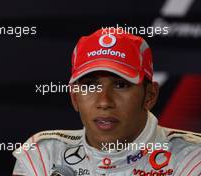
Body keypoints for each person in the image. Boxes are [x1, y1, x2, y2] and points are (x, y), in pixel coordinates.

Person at [12, 28, 201, 176]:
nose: (104, 101)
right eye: (90, 86)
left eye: (120, 85)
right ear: (74, 97)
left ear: (150, 95)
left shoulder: (192, 158)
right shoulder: (42, 154)